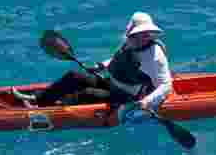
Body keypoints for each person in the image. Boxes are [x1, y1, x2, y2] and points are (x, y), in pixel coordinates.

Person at [25, 12, 173, 112]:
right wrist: (100, 66)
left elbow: (166, 85)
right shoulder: (130, 41)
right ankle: (41, 99)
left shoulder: (154, 55)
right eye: (138, 34)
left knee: (86, 94)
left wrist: (147, 102)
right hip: (111, 83)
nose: (141, 38)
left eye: (145, 34)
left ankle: (50, 109)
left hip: (127, 96)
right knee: (74, 76)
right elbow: (119, 59)